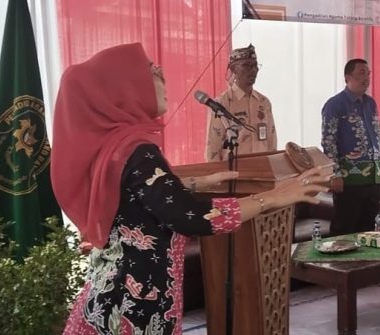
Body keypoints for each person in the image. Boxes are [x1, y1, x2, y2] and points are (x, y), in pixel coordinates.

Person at [51, 43, 328, 334]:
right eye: (152, 70)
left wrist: (196, 182)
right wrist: (273, 197)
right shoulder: (138, 151)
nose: (163, 76)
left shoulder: (115, 148)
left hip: (110, 294)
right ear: (125, 86)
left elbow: (136, 196)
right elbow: (191, 217)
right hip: (133, 307)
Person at [321, 59, 380, 234]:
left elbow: (379, 136)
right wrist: (335, 173)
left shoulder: (371, 103)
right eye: (361, 73)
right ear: (348, 77)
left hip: (373, 178)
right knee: (345, 228)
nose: (366, 78)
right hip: (348, 179)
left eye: (368, 73)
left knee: (370, 230)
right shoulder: (335, 105)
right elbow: (328, 142)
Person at [205, 44, 277, 161]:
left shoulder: (263, 102)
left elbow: (271, 143)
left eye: (255, 65)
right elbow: (212, 150)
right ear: (233, 69)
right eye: (246, 65)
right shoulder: (221, 104)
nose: (253, 70)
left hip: (261, 169)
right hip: (234, 170)